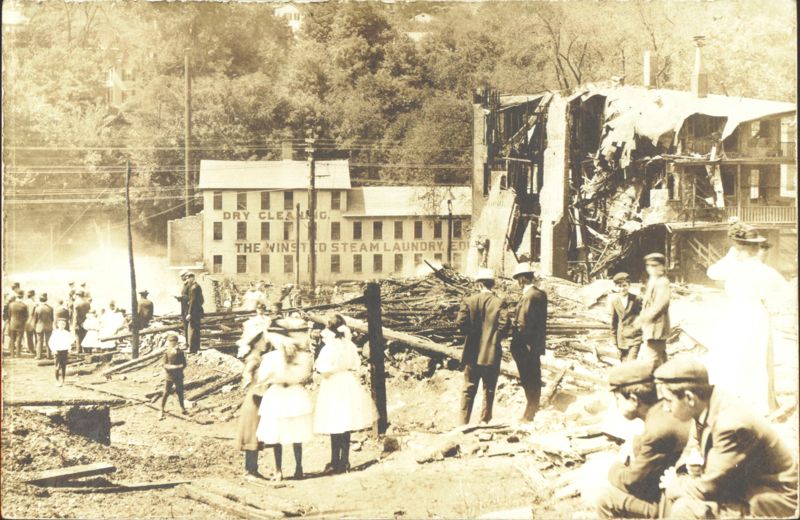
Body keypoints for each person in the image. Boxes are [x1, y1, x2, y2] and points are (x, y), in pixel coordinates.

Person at [655, 356, 798, 519]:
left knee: (685, 508)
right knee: (676, 494)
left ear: (689, 398)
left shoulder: (730, 424)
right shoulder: (705, 405)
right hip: (739, 486)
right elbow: (691, 449)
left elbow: (708, 487)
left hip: (766, 499)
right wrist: (683, 472)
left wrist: (674, 483)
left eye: (668, 401)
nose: (665, 408)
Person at [705, 223, 785, 415]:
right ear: (754, 248)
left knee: (737, 355)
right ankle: (753, 402)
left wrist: (730, 256)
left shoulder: (734, 268)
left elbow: (712, 272)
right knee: (752, 357)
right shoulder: (761, 270)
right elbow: (782, 290)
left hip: (738, 314)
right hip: (754, 314)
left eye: (739, 248)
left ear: (742, 249)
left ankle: (738, 400)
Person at [595, 360, 690, 518]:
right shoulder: (665, 410)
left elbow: (633, 482)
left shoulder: (657, 431)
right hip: (685, 490)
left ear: (633, 400)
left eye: (618, 399)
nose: (616, 405)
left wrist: (615, 466)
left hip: (676, 506)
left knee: (606, 500)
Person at [313, 314, 377, 473]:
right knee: (346, 421)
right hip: (347, 382)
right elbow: (355, 364)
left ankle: (335, 461)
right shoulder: (349, 345)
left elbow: (324, 370)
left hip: (333, 383)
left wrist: (323, 373)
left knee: (335, 420)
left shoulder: (329, 348)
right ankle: (345, 461)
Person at [454, 268, 508, 425]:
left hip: (472, 352)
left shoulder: (469, 301)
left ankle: (463, 423)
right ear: (492, 284)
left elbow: (460, 322)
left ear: (479, 284)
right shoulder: (499, 302)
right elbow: (504, 325)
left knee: (469, 387)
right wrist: (494, 339)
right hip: (491, 353)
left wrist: (470, 335)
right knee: (489, 388)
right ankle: (484, 421)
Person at [255, 337, 314, 481]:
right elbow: (307, 375)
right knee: (297, 433)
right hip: (295, 394)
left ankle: (278, 470)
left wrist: (270, 379)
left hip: (277, 393)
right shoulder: (303, 357)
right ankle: (299, 468)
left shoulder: (271, 357)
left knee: (276, 434)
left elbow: (262, 377)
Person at [509, 261, 548, 423]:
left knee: (528, 377)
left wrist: (520, 338)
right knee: (534, 375)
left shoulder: (529, 296)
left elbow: (523, 322)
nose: (518, 283)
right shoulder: (540, 294)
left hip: (525, 345)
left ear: (523, 279)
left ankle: (530, 412)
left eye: (519, 279)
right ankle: (533, 408)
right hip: (535, 343)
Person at [236, 321, 272, 480]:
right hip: (254, 398)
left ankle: (253, 469)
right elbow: (246, 374)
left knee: (255, 433)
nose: (265, 343)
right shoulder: (254, 358)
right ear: (256, 342)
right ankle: (249, 470)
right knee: (252, 432)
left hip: (258, 397)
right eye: (263, 340)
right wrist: (252, 382)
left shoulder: (259, 357)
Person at [638, 253, 671, 368]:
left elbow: (660, 305)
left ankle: (654, 384)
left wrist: (642, 319)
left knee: (653, 362)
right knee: (660, 359)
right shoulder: (653, 281)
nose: (651, 269)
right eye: (648, 266)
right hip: (652, 328)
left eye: (655, 265)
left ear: (662, 266)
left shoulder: (662, 282)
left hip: (657, 328)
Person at [609, 272, 643, 362]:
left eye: (624, 285)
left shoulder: (637, 299)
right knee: (624, 365)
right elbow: (614, 323)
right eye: (619, 286)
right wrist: (614, 343)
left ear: (629, 285)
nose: (622, 288)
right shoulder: (614, 301)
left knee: (630, 363)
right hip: (621, 339)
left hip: (634, 338)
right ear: (616, 287)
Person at [159, 333, 188, 419]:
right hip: (170, 375)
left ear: (177, 342)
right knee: (166, 392)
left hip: (179, 375)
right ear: (168, 342)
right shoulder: (167, 352)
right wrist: (174, 367)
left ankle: (182, 408)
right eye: (171, 341)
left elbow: (184, 364)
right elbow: (164, 365)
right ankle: (161, 408)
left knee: (180, 392)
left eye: (174, 341)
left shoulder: (181, 352)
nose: (173, 343)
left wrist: (181, 367)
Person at [49, 318, 73, 386]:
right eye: (61, 324)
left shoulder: (67, 333)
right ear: (58, 325)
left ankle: (63, 380)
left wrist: (69, 348)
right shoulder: (55, 333)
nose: (62, 325)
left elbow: (69, 341)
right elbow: (51, 342)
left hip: (64, 351)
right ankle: (57, 380)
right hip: (57, 351)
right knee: (57, 366)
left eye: (64, 324)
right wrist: (53, 350)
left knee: (63, 366)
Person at [185, 272, 204, 353]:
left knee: (192, 329)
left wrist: (189, 313)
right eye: (187, 278)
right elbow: (202, 300)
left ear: (192, 278)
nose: (187, 280)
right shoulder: (197, 286)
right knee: (196, 329)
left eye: (188, 278)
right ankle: (197, 347)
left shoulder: (194, 288)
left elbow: (192, 301)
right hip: (197, 311)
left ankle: (192, 349)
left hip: (194, 312)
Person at [32, 293, 55, 359]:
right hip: (48, 326)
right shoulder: (50, 308)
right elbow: (52, 318)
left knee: (39, 342)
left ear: (40, 300)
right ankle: (49, 355)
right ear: (46, 300)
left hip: (39, 326)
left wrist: (35, 326)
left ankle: (39, 356)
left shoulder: (37, 308)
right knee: (48, 341)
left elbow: (35, 319)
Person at [6, 292, 29, 357]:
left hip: (12, 323)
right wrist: (23, 321)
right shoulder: (24, 305)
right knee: (19, 339)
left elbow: (9, 315)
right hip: (21, 324)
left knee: (12, 339)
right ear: (22, 296)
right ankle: (18, 354)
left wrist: (11, 320)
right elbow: (26, 316)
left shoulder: (11, 304)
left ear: (16, 297)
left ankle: (12, 354)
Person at [23, 289, 37, 355]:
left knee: (28, 336)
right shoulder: (33, 303)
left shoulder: (25, 302)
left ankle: (29, 348)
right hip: (33, 320)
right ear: (32, 296)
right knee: (35, 335)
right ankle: (33, 349)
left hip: (26, 320)